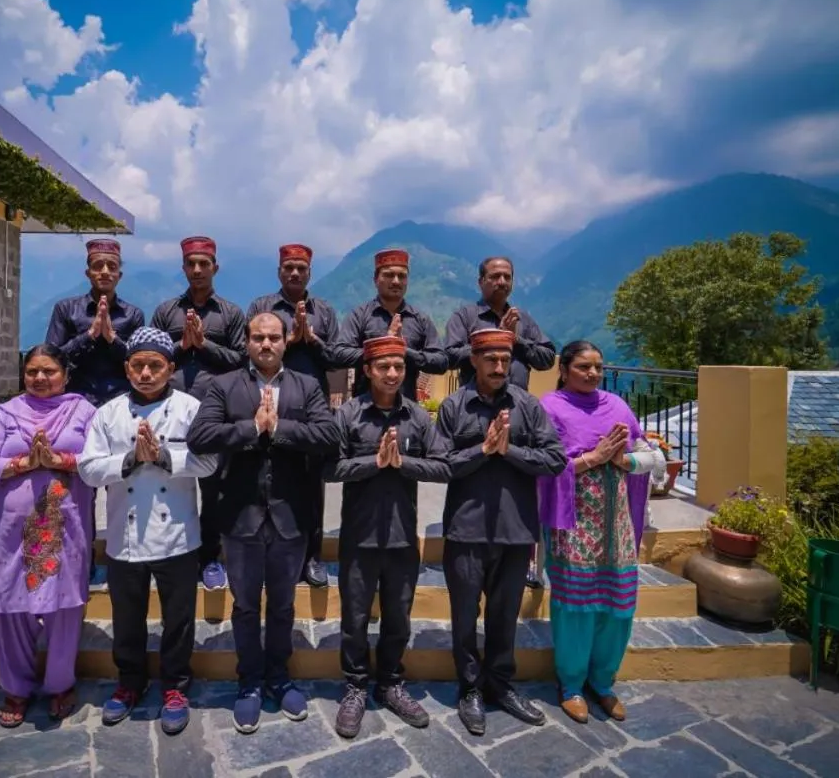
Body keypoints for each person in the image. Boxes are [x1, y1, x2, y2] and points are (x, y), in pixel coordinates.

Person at [186, 312, 339, 734]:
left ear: (286, 341)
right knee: (247, 606)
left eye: (273, 337)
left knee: (285, 606)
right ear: (247, 343)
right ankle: (250, 683)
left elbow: (328, 436)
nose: (266, 345)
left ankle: (279, 677)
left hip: (290, 516)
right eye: (258, 338)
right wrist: (252, 428)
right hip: (240, 517)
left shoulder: (306, 387)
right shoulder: (223, 385)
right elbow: (201, 435)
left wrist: (281, 429)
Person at [77, 327, 219, 736]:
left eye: (154, 365)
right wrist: (128, 461)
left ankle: (175, 687)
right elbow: (88, 469)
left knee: (178, 619)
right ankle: (129, 683)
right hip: (125, 535)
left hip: (176, 535)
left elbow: (209, 464)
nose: (145, 373)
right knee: (128, 619)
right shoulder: (108, 413)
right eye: (137, 365)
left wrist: (163, 455)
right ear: (126, 368)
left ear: (170, 369)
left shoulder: (192, 408)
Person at [435, 328, 567, 736]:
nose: (498, 367)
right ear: (473, 360)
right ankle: (470, 687)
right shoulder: (455, 406)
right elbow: (440, 463)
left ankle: (501, 684)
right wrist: (482, 450)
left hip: (515, 530)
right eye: (490, 359)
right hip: (466, 529)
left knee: (504, 614)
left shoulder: (527, 405)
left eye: (504, 360)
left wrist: (509, 451)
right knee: (463, 615)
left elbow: (555, 458)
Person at [0, 343, 98, 728]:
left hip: (64, 523)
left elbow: (99, 460)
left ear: (65, 375)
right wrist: (20, 464)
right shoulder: (6, 413)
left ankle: (60, 684)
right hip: (13, 530)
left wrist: (62, 462)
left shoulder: (82, 411)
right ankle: (16, 688)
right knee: (10, 606)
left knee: (63, 606)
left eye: (49, 371)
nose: (40, 378)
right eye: (32, 372)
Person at [538, 340, 666, 725]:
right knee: (575, 605)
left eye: (597, 366)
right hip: (573, 521)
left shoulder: (617, 406)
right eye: (583, 367)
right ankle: (572, 684)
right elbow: (541, 465)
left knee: (619, 603)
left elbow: (653, 457)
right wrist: (589, 459)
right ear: (563, 369)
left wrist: (622, 458)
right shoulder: (551, 408)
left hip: (617, 525)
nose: (592, 373)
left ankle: (603, 681)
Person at [329, 335, 449, 738]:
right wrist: (373, 462)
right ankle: (355, 686)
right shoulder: (348, 414)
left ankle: (391, 682)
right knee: (355, 618)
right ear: (367, 370)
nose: (393, 373)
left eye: (398, 366)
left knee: (398, 618)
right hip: (359, 537)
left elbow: (443, 466)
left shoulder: (416, 417)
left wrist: (403, 464)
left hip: (401, 537)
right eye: (384, 366)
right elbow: (329, 467)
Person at [443, 255, 557, 589]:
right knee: (472, 479)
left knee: (519, 484)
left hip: (518, 409)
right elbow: (448, 355)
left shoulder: (524, 319)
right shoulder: (465, 316)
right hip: (474, 409)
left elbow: (548, 357)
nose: (502, 282)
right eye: (494, 276)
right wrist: (490, 341)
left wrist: (513, 338)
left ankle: (520, 561)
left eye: (507, 276)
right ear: (481, 281)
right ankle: (467, 555)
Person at [151, 235, 248, 593]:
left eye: (203, 264)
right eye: (190, 264)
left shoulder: (231, 314)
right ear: (183, 268)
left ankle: (210, 558)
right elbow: (153, 356)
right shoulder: (165, 311)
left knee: (214, 489)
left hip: (215, 413)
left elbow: (241, 360)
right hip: (169, 410)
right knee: (168, 483)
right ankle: (170, 556)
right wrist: (182, 345)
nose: (196, 270)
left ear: (215, 267)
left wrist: (204, 345)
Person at [246, 243, 340, 588]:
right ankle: (264, 553)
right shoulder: (262, 307)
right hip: (267, 398)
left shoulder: (325, 311)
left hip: (310, 405)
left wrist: (310, 340)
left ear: (309, 273)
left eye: (301, 268)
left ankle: (313, 557)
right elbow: (252, 349)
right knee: (264, 482)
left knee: (312, 485)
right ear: (279, 271)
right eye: (289, 268)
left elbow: (337, 358)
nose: (295, 273)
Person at [328, 248, 448, 402]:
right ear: (376, 279)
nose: (396, 281)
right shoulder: (360, 316)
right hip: (364, 411)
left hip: (407, 412)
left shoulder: (420, 319)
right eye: (389, 275)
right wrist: (379, 349)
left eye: (402, 276)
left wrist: (405, 351)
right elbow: (339, 354)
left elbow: (441, 362)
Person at [45, 238, 146, 407]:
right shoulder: (66, 309)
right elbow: (51, 359)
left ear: (119, 275)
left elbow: (140, 362)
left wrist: (112, 338)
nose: (105, 272)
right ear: (88, 273)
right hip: (75, 399)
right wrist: (89, 335)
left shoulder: (133, 314)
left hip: (122, 402)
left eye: (112, 267)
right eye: (98, 266)